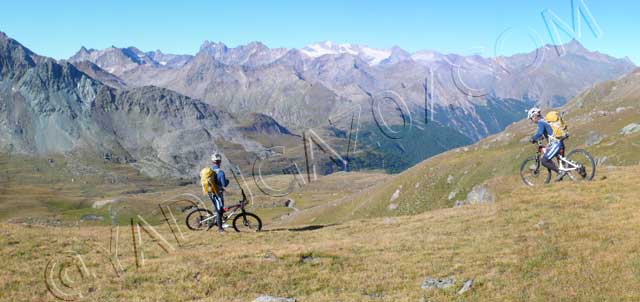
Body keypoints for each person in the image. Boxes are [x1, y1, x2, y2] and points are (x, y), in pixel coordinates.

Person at [527, 107, 567, 181]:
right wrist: (542, 138)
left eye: (531, 118)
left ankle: (560, 173)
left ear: (534, 116)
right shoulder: (545, 120)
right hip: (559, 141)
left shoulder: (541, 122)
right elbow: (548, 132)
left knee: (544, 161)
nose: (532, 120)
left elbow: (539, 133)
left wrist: (533, 138)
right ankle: (580, 169)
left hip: (556, 144)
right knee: (562, 163)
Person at [208, 152, 229, 232]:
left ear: (212, 162)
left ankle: (217, 222)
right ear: (220, 162)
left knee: (218, 208)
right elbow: (224, 184)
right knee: (219, 210)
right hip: (217, 193)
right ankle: (220, 229)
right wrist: (227, 181)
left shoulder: (209, 171)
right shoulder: (220, 172)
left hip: (210, 192)